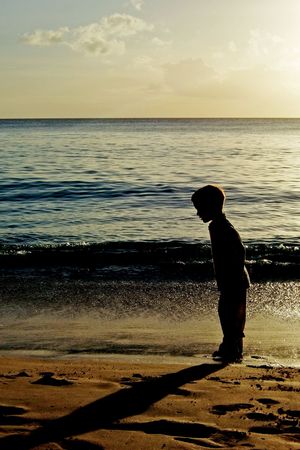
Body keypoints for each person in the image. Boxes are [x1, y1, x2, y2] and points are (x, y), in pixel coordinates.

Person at [191, 184, 250, 363]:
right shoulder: (217, 225)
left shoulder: (221, 226)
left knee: (232, 314)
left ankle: (233, 348)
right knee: (228, 313)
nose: (198, 213)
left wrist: (233, 271)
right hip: (231, 279)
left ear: (211, 207)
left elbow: (240, 250)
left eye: (200, 209)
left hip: (235, 279)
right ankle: (232, 347)